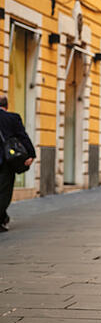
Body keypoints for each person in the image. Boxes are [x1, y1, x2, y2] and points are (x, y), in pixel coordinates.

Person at [0, 95, 35, 232]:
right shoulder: (12, 118)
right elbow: (22, 136)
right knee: (4, 192)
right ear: (7, 106)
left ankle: (3, 218)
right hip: (6, 161)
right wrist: (31, 154)